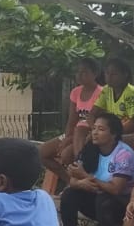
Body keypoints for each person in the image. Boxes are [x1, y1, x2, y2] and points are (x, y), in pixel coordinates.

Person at [58, 115, 134, 226]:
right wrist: (81, 183)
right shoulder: (90, 149)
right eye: (94, 128)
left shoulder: (123, 154)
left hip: (121, 204)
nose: (94, 133)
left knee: (104, 199)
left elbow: (116, 189)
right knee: (69, 195)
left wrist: (86, 176)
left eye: (101, 129)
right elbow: (73, 180)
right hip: (97, 198)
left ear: (113, 134)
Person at [40, 59, 104, 191]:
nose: (80, 75)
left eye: (84, 72)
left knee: (66, 155)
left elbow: (98, 120)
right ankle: (71, 182)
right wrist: (66, 137)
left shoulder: (102, 93)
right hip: (74, 132)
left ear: (95, 73)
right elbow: (72, 119)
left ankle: (80, 180)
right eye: (78, 72)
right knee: (42, 153)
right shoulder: (75, 92)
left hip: (88, 133)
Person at [91, 57, 134, 132]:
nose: (109, 77)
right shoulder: (106, 89)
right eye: (107, 73)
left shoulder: (131, 93)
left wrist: (112, 133)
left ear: (125, 74)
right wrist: (94, 130)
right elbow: (93, 113)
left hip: (124, 132)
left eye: (114, 74)